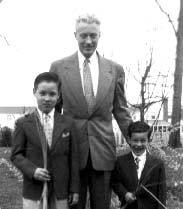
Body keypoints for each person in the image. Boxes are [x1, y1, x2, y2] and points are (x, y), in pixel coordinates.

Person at [49, 14, 132, 209]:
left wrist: (140, 143)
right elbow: (54, 112)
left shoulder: (115, 70)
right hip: (72, 152)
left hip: (103, 151)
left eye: (93, 36)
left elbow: (121, 111)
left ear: (99, 36)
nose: (88, 41)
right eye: (83, 35)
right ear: (75, 35)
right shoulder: (58, 67)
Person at [11, 72, 79, 209]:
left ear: (59, 95)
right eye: (42, 93)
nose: (47, 98)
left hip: (60, 191)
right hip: (34, 191)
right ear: (34, 92)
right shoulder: (23, 123)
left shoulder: (68, 123)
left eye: (52, 94)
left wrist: (74, 189)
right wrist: (33, 170)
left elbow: (74, 159)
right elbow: (16, 155)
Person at [111, 121, 166, 209]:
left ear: (149, 140)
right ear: (129, 139)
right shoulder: (120, 161)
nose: (139, 144)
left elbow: (161, 192)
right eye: (135, 140)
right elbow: (115, 182)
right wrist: (125, 193)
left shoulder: (157, 163)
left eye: (143, 140)